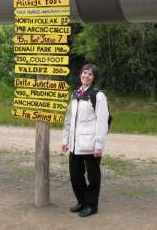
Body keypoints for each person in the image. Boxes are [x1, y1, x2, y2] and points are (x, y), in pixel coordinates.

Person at [62, 63, 109, 217]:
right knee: (75, 175)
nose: (86, 76)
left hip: (91, 145)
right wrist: (65, 140)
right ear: (80, 74)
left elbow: (102, 122)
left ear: (94, 78)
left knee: (93, 177)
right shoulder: (75, 94)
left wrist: (99, 146)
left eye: (90, 74)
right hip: (75, 145)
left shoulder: (98, 95)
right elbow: (69, 119)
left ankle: (91, 205)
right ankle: (82, 201)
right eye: (84, 72)